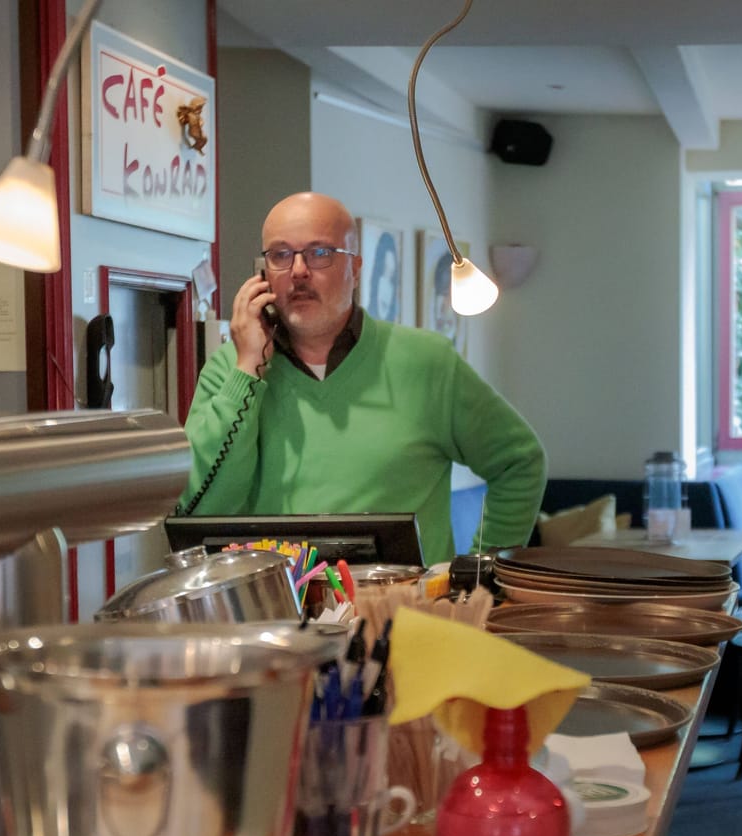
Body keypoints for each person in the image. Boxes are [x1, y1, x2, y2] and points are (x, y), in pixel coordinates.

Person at [182, 192, 545, 564]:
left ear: (355, 269)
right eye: (280, 254)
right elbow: (198, 510)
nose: (298, 271)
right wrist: (247, 370)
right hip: (275, 615)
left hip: (405, 616)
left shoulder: (427, 362)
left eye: (320, 252)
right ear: (262, 274)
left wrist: (481, 574)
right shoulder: (229, 371)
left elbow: (520, 463)